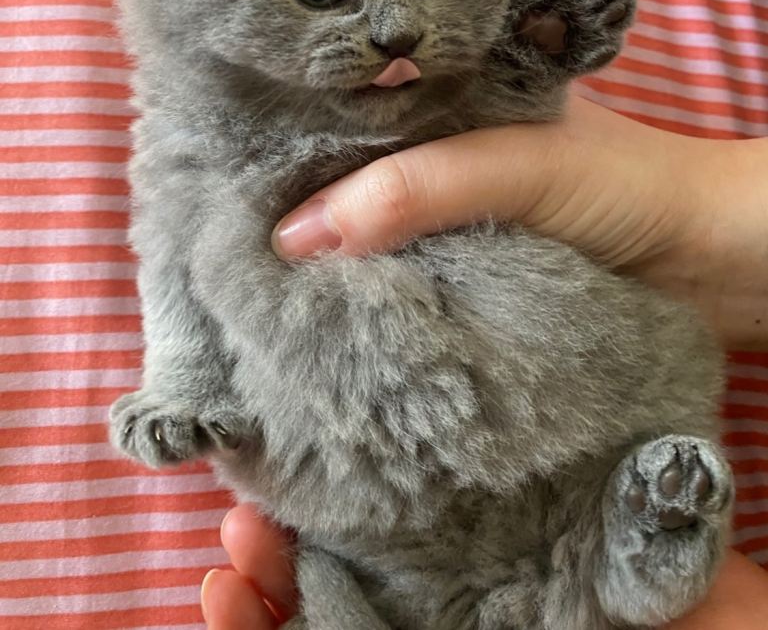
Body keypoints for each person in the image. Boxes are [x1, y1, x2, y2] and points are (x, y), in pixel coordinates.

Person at [200, 97, 768, 629]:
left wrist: (695, 212)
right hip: (396, 528)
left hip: (575, 439)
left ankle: (622, 553)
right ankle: (628, 553)